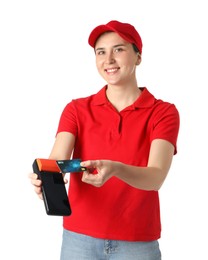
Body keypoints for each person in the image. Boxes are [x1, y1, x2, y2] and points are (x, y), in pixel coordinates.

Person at [29, 20, 180, 260]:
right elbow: (57, 160)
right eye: (101, 52)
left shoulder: (163, 112)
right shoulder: (76, 109)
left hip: (137, 242)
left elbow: (156, 176)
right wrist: (45, 179)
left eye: (118, 49)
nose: (108, 59)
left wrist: (116, 169)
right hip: (78, 239)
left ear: (138, 57)